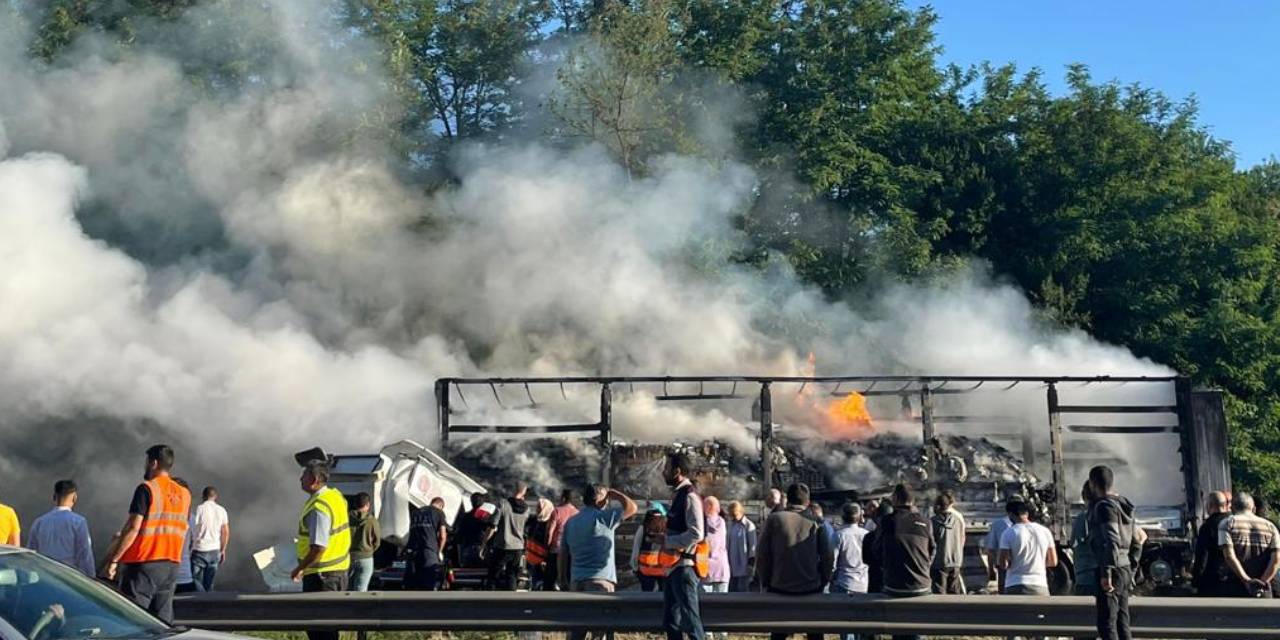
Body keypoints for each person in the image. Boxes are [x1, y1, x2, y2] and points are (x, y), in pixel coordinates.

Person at [101, 444, 192, 625]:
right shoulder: (185, 494)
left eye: (146, 462)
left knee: (133, 619)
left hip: (144, 562)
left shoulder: (147, 488)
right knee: (162, 620)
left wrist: (113, 560)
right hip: (171, 564)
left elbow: (134, 528)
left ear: (153, 463)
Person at [559, 484, 637, 640]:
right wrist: (614, 493)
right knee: (599, 631)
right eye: (605, 498)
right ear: (599, 499)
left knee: (576, 632)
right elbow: (632, 507)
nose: (607, 502)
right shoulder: (605, 517)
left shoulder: (571, 522)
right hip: (601, 583)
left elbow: (563, 554)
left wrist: (562, 579)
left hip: (577, 582)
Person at [756, 482, 833, 640]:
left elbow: (762, 555)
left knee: (778, 634)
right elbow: (827, 556)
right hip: (811, 587)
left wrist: (766, 582)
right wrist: (822, 581)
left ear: (788, 500)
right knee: (815, 634)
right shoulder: (817, 521)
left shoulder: (774, 519)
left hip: (780, 587)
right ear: (808, 502)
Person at [291, 459, 351, 640]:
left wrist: (300, 568)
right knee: (329, 628)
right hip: (338, 572)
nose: (300, 479)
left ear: (315, 479)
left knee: (319, 630)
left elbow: (318, 547)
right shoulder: (335, 496)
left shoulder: (319, 506)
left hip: (321, 576)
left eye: (304, 475)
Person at [1086, 465, 1139, 640]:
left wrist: (1106, 572)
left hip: (1112, 568)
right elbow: (1137, 540)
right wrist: (1132, 570)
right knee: (1122, 622)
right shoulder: (1123, 506)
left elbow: (1111, 539)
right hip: (1124, 567)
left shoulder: (1104, 506)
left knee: (1107, 623)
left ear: (1093, 484)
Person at [881, 484, 934, 640]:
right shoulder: (926, 522)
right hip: (922, 585)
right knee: (918, 628)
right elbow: (932, 551)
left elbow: (877, 551)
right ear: (913, 500)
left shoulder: (887, 521)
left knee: (898, 630)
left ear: (895, 499)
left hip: (894, 586)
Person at [662, 452, 706, 640]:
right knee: (672, 621)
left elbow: (697, 533)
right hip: (674, 568)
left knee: (690, 624)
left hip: (684, 568)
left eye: (666, 468)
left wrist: (669, 542)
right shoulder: (679, 495)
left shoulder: (689, 496)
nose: (663, 473)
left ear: (677, 471)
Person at [27, 480, 95, 576]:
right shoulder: (78, 522)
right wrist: (91, 578)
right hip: (69, 576)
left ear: (54, 497)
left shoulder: (39, 522)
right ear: (75, 498)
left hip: (44, 576)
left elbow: (31, 553)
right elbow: (85, 554)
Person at [1218, 492, 1280, 597]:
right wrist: (1262, 582)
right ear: (1254, 509)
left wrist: (1247, 580)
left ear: (1232, 508)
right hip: (1264, 589)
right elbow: (1276, 559)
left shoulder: (1227, 524)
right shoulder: (1271, 527)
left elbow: (1229, 556)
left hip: (1236, 587)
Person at [998, 496, 1057, 596]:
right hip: (1040, 585)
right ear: (1027, 513)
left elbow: (1004, 564)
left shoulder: (1008, 533)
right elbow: (1053, 561)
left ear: (1010, 515)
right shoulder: (1045, 531)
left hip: (1015, 585)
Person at [486, 483, 531, 590]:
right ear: (524, 492)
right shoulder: (527, 509)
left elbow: (492, 525)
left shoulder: (503, 504)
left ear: (513, 490)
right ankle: (511, 601)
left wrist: (485, 543)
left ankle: (489, 601)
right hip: (518, 547)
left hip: (502, 546)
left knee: (493, 575)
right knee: (512, 576)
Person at [190, 486, 230, 592]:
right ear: (215, 496)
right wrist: (223, 550)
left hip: (199, 549)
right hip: (214, 550)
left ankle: (199, 603)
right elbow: (225, 532)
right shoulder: (221, 510)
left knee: (196, 581)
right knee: (209, 584)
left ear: (203, 496)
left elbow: (193, 528)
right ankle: (208, 604)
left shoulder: (199, 508)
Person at [1192, 491, 1231, 596]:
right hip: (1234, 577)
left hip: (1213, 578)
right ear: (1225, 505)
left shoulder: (1208, 526)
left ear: (1210, 506)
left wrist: (1196, 582)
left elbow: (1202, 555)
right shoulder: (1234, 521)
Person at [405, 497, 448, 590]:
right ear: (441, 506)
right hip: (429, 551)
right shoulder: (439, 513)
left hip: (413, 551)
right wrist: (440, 551)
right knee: (429, 583)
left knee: (415, 583)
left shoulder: (415, 513)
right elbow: (443, 536)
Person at [930, 491, 966, 594]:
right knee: (954, 594)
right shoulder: (958, 520)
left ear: (937, 506)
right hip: (956, 561)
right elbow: (962, 539)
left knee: (939, 594)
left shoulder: (933, 521)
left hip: (939, 562)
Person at [832, 502, 869, 595]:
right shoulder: (867, 534)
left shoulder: (839, 535)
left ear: (842, 516)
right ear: (860, 516)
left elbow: (832, 561)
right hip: (863, 585)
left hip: (843, 583)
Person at [984, 496, 1018, 593]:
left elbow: (991, 550)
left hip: (1004, 568)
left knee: (1005, 600)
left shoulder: (997, 524)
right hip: (1024, 569)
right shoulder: (1033, 527)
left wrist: (991, 569)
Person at [348, 492, 381, 592]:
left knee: (347, 589)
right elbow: (377, 542)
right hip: (366, 557)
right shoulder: (372, 520)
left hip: (348, 557)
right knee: (361, 589)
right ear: (367, 505)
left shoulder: (346, 518)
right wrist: (370, 550)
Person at [631, 505, 668, 592]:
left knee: (647, 596)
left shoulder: (644, 528)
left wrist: (634, 567)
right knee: (663, 596)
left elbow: (636, 548)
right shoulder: (666, 529)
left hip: (646, 569)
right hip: (663, 569)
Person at [1070, 483, 1098, 598]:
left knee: (1086, 615)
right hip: (1113, 579)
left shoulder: (1083, 518)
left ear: (1084, 497)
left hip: (1087, 578)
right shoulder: (1115, 515)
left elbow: (1074, 543)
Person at [547, 489, 579, 591]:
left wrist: (547, 546)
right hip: (571, 551)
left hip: (556, 550)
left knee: (550, 580)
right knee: (569, 579)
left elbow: (549, 532)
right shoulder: (578, 513)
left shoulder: (557, 511)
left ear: (563, 498)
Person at [454, 493, 494, 568]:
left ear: (471, 502)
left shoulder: (466, 517)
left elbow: (459, 536)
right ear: (483, 503)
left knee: (468, 576)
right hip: (483, 549)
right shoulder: (488, 516)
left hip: (468, 549)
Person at [173, 478, 198, 594]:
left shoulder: (160, 516)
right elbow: (193, 545)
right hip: (185, 578)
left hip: (163, 580)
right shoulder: (191, 518)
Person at [725, 501, 757, 593]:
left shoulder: (749, 525)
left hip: (743, 564)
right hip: (731, 563)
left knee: (742, 590)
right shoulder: (730, 524)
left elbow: (753, 546)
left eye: (735, 514)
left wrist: (751, 563)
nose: (733, 517)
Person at [862, 502, 893, 594]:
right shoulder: (897, 537)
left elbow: (866, 559)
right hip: (893, 581)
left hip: (875, 578)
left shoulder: (869, 537)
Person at [526, 497, 555, 590]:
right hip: (532, 557)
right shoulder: (534, 520)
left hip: (544, 558)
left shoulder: (550, 522)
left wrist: (545, 558)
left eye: (540, 507)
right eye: (537, 507)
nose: (537, 509)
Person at [702, 496, 730, 594]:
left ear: (707, 507)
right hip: (722, 570)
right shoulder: (722, 522)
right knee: (722, 606)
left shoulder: (701, 524)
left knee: (706, 605)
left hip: (705, 570)